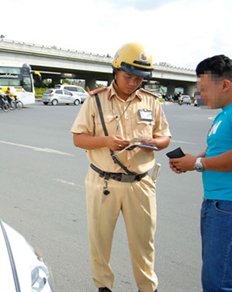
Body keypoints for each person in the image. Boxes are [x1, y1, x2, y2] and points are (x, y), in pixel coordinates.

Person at [70, 42, 171, 292]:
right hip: (103, 182)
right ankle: (104, 287)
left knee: (144, 243)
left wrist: (153, 144)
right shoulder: (95, 101)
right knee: (100, 241)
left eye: (140, 79)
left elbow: (165, 137)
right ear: (115, 70)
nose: (134, 83)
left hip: (141, 183)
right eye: (129, 76)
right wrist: (105, 141)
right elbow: (78, 138)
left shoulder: (151, 102)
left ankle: (147, 288)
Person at [169, 55, 232, 292]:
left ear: (225, 85)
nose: (201, 96)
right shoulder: (226, 113)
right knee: (226, 276)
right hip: (221, 206)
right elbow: (216, 151)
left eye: (204, 89)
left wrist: (198, 163)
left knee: (219, 283)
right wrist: (190, 161)